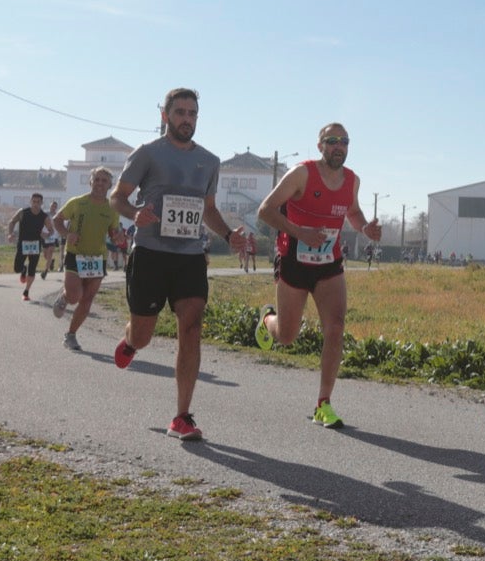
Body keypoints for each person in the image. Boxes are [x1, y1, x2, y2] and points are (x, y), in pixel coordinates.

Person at [108, 87, 244, 442]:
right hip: (150, 253)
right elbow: (117, 197)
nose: (187, 119)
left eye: (192, 113)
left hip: (189, 257)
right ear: (165, 116)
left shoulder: (210, 161)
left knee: (192, 325)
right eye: (180, 112)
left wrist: (229, 235)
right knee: (144, 334)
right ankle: (131, 340)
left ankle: (182, 416)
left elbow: (208, 210)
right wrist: (134, 213)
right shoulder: (147, 153)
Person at [254, 123, 380, 429]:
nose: (339, 146)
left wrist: (365, 228)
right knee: (287, 336)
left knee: (335, 328)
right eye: (332, 140)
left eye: (344, 141)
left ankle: (324, 403)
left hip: (329, 264)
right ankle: (267, 319)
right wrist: (300, 233)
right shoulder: (301, 174)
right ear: (320, 145)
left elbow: (352, 212)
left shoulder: (352, 180)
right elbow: (265, 210)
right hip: (294, 260)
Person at [52, 168, 123, 352]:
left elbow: (113, 231)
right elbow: (57, 220)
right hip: (75, 254)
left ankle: (71, 335)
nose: (100, 183)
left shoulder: (112, 209)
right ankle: (65, 296)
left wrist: (117, 237)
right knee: (75, 296)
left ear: (110, 185)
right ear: (91, 182)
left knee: (87, 299)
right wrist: (67, 234)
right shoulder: (77, 202)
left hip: (97, 258)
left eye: (104, 181)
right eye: (97, 179)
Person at [7, 192, 54, 301]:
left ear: (42, 203)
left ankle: (26, 292)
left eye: (38, 202)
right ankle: (24, 269)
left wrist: (46, 234)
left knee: (32, 269)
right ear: (30, 202)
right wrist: (10, 234)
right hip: (23, 243)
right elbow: (12, 222)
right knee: (17, 268)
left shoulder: (44, 217)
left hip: (35, 245)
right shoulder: (23, 212)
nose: (36, 204)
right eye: (34, 201)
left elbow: (51, 230)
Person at [40, 200, 62, 278]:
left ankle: (45, 271)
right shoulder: (45, 214)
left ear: (56, 207)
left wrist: (60, 234)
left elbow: (61, 225)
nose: (53, 207)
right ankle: (51, 261)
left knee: (50, 251)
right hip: (45, 235)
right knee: (45, 254)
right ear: (50, 206)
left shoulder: (58, 215)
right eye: (52, 206)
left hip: (54, 236)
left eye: (55, 206)